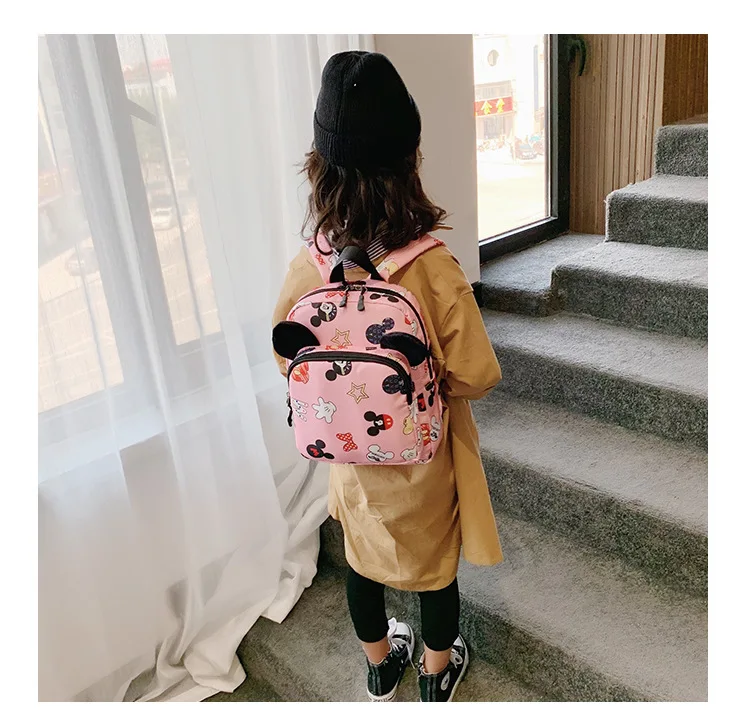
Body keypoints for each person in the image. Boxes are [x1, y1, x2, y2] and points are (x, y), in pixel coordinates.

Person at [272, 51, 503, 703]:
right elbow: (477, 371)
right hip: (421, 459)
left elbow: (288, 355)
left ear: (319, 166)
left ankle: (379, 666)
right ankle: (435, 670)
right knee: (434, 570)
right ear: (409, 160)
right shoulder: (431, 266)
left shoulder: (311, 265)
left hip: (347, 453)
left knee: (362, 559)